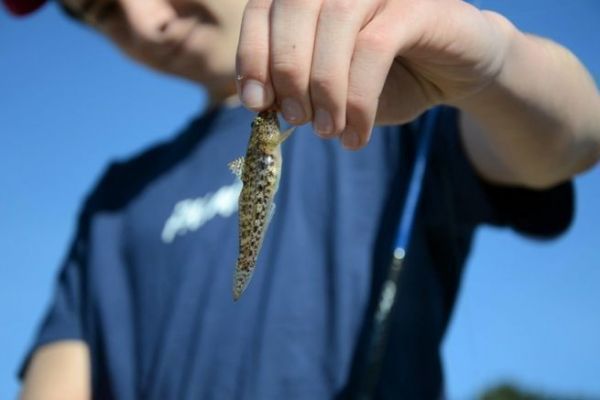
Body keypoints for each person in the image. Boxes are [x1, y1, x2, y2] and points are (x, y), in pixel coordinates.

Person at [9, 0, 599, 398]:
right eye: (102, 11)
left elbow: (574, 140)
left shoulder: (399, 103)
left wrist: (492, 63)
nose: (144, 20)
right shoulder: (113, 204)